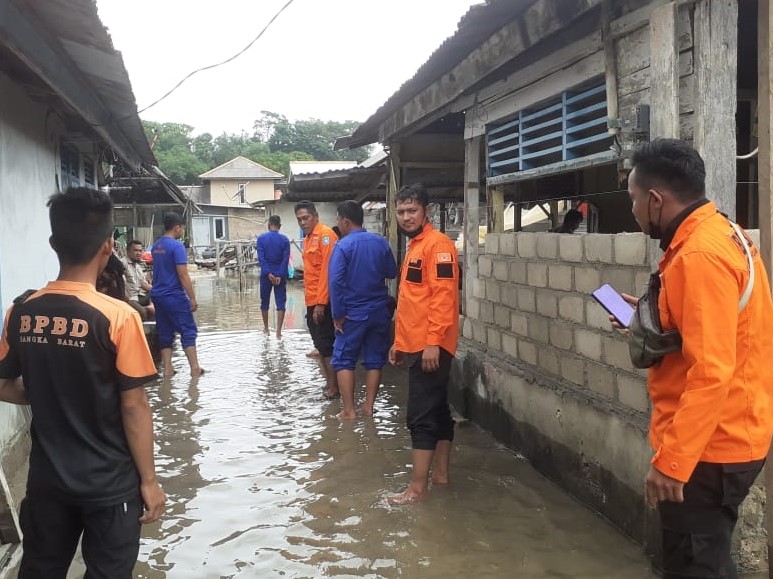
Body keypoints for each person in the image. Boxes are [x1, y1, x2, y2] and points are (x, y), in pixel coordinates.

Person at [619, 138, 773, 578]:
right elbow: (710, 330)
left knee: (695, 566)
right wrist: (647, 318)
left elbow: (712, 371)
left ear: (654, 200)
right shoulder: (722, 232)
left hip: (710, 449)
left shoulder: (701, 254)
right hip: (727, 435)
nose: (631, 212)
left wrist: (672, 464)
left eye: (632, 200)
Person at [0, 187, 165, 578]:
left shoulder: (20, 312)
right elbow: (134, 406)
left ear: (54, 243)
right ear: (109, 245)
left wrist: (43, 393)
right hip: (110, 485)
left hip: (47, 483)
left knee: (41, 570)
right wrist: (150, 481)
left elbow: (3, 384)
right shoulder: (119, 317)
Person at [387, 184, 459, 504]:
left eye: (411, 211)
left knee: (420, 417)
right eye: (401, 212)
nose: (405, 217)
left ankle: (417, 488)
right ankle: (440, 477)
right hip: (415, 343)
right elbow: (413, 301)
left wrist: (432, 342)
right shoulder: (416, 246)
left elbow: (444, 298)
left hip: (431, 347)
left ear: (425, 211)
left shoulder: (438, 245)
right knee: (438, 411)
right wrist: (398, 342)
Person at [328, 200, 397, 420]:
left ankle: (349, 411)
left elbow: (336, 282)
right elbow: (391, 272)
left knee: (343, 359)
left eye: (338, 220)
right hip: (379, 311)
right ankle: (368, 407)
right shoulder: (380, 242)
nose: (338, 224)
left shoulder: (343, 246)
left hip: (353, 313)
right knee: (375, 360)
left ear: (345, 221)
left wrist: (337, 314)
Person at [150, 213, 204, 378]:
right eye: (182, 228)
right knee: (188, 330)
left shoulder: (156, 246)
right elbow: (183, 274)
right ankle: (195, 369)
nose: (182, 231)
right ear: (177, 227)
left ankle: (167, 369)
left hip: (158, 295)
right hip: (173, 295)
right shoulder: (177, 246)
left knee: (165, 331)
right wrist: (192, 298)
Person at [295, 201, 339, 400]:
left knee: (326, 346)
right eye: (299, 219)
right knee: (320, 346)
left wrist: (321, 304)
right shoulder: (308, 238)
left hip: (324, 302)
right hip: (312, 300)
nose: (303, 222)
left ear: (315, 216)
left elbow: (327, 273)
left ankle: (333, 389)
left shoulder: (326, 236)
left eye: (306, 218)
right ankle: (329, 385)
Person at [257, 215, 290, 338]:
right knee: (281, 303)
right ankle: (278, 332)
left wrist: (268, 273)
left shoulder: (261, 239)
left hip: (266, 275)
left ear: (269, 225)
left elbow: (261, 259)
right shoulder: (285, 240)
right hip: (280, 275)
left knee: (264, 302)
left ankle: (266, 328)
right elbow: (285, 260)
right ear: (279, 226)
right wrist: (280, 275)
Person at [124, 240, 154, 312]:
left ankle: (151, 306)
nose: (139, 253)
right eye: (135, 250)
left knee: (160, 295)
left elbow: (144, 284)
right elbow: (121, 288)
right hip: (130, 299)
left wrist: (160, 290)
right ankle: (146, 309)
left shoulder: (137, 266)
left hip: (140, 296)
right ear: (128, 251)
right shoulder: (122, 264)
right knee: (143, 313)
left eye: (140, 251)